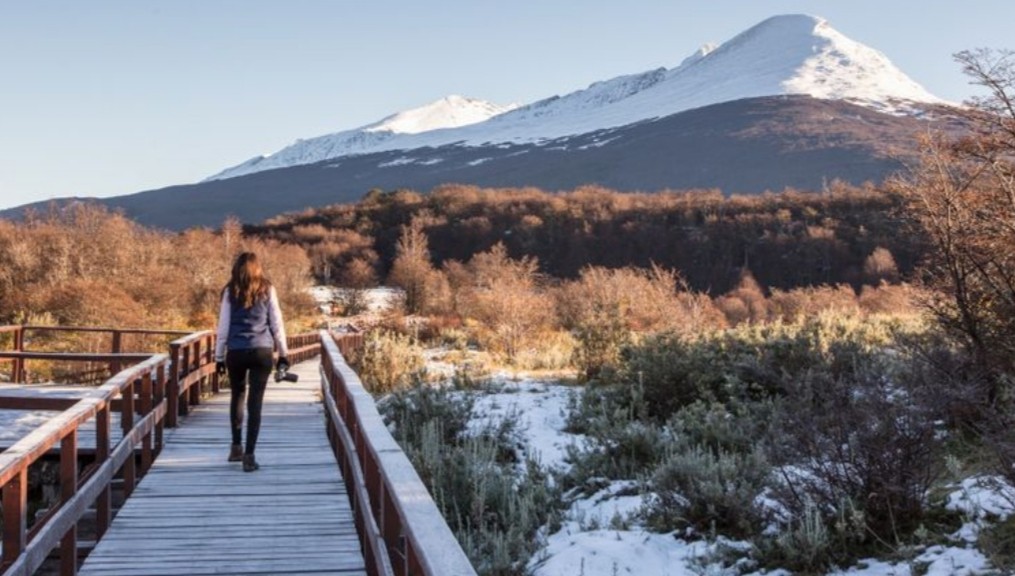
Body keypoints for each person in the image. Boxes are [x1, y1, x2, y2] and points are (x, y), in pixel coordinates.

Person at [214, 252, 289, 472]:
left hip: (235, 351)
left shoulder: (230, 291)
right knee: (255, 403)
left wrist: (219, 356)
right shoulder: (268, 289)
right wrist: (283, 353)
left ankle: (235, 446)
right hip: (261, 351)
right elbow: (277, 323)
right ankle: (249, 456)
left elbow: (223, 327)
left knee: (237, 395)